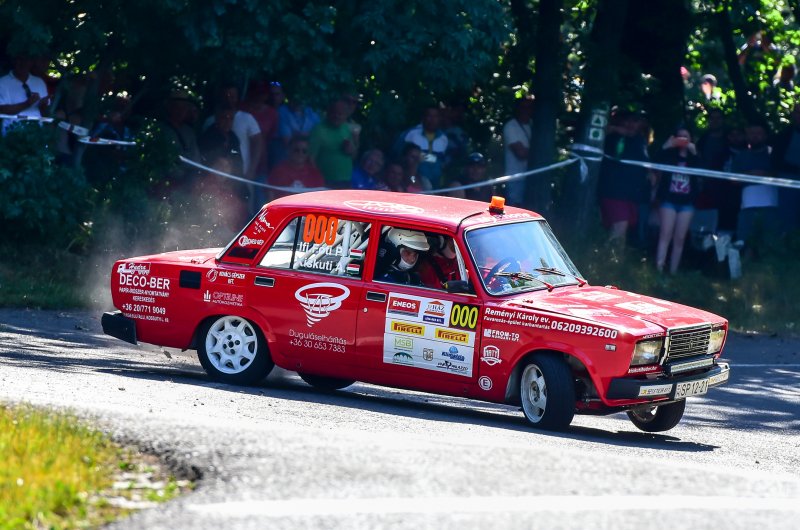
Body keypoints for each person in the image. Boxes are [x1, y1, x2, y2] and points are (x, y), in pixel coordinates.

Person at [597, 110, 650, 243]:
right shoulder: (612, 137)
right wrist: (616, 130)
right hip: (614, 191)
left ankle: (612, 254)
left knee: (623, 229)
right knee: (619, 227)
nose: (631, 124)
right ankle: (611, 255)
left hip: (632, 194)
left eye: (636, 121)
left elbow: (645, 163)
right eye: (628, 120)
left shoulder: (640, 140)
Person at [654, 128, 701, 274]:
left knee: (680, 238)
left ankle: (673, 272)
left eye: (686, 137)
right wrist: (666, 146)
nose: (682, 139)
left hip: (687, 203)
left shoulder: (693, 157)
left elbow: (702, 170)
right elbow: (654, 162)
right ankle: (659, 270)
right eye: (679, 136)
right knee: (665, 234)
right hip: (668, 200)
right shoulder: (669, 154)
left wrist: (694, 152)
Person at [733, 122, 778, 253]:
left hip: (771, 204)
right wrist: (751, 175)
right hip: (748, 205)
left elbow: (781, 175)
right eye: (751, 133)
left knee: (770, 239)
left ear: (765, 136)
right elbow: (733, 180)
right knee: (745, 240)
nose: (755, 136)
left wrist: (764, 175)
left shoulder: (774, 154)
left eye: (758, 133)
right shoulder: (741, 156)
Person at [309, 99, 356, 188]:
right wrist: (316, 179)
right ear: (328, 113)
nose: (337, 116)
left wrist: (351, 149)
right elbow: (311, 158)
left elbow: (353, 154)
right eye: (334, 113)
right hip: (326, 180)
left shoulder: (346, 128)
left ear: (346, 116)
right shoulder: (319, 130)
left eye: (340, 114)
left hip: (346, 179)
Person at [0, 54, 50, 134]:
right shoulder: (2, 82)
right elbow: (2, 109)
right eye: (20, 60)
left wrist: (44, 103)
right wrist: (27, 104)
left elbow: (45, 111)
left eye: (26, 61)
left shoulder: (39, 82)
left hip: (36, 130)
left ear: (31, 63)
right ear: (14, 61)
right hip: (12, 131)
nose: (23, 64)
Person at [402, 106, 449, 188]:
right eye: (429, 116)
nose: (432, 119)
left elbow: (443, 161)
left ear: (439, 119)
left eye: (435, 116)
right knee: (416, 191)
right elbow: (399, 155)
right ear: (423, 118)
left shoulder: (443, 138)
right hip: (413, 178)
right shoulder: (411, 134)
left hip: (436, 181)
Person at [771, 105, 800, 233]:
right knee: (788, 221)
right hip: (788, 183)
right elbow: (775, 161)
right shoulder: (784, 135)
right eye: (798, 112)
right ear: (793, 115)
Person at [502, 96, 534, 205]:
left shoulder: (532, 125)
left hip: (532, 178)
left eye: (529, 108)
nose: (526, 110)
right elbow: (520, 153)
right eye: (523, 107)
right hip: (515, 179)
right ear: (517, 109)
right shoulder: (511, 126)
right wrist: (538, 152)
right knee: (516, 208)